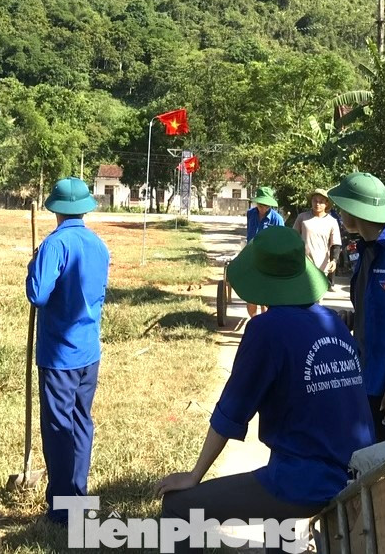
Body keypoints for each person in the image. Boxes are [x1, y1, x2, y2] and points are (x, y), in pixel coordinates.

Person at [157, 227, 374, 552]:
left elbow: (231, 411)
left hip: (308, 480)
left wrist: (194, 475)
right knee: (276, 520)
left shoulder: (266, 329)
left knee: (178, 508)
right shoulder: (333, 323)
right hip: (357, 472)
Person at [27, 177, 111, 525]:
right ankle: (78, 493)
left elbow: (38, 294)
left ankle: (63, 510)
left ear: (55, 209)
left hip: (59, 354)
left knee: (59, 427)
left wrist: (34, 266)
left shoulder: (54, 245)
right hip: (89, 351)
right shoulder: (99, 245)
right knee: (81, 423)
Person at [328, 173, 385, 442]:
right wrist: (352, 319)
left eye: (342, 207)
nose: (338, 213)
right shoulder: (364, 250)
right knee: (364, 464)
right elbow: (380, 311)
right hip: (363, 377)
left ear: (356, 211)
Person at [243, 186, 284, 317]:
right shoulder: (250, 214)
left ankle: (265, 321)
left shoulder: (277, 219)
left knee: (266, 295)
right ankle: (254, 321)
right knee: (251, 293)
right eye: (261, 205)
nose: (263, 208)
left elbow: (281, 241)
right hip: (252, 256)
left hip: (269, 259)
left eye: (266, 205)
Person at [293, 188, 343, 290]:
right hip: (303, 264)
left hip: (321, 267)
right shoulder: (302, 218)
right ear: (311, 201)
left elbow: (336, 244)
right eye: (315, 200)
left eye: (321, 202)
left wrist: (334, 261)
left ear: (326, 204)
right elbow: (293, 238)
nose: (317, 204)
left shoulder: (332, 221)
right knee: (302, 295)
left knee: (317, 298)